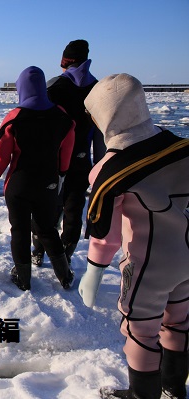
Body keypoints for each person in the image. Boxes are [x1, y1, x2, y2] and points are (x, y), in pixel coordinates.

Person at [78, 73, 189, 399]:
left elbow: (107, 236)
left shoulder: (110, 168)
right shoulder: (179, 147)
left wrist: (93, 272)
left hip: (147, 267)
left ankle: (142, 395)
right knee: (180, 322)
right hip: (186, 255)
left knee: (141, 332)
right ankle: (174, 388)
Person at [0, 66, 76, 291]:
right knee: (47, 228)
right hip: (49, 184)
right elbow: (67, 152)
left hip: (19, 184)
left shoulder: (15, 117)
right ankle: (64, 275)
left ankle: (23, 278)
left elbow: (2, 156)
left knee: (20, 230)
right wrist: (61, 176)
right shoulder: (62, 117)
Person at [31, 39, 106, 267]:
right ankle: (65, 256)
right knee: (74, 210)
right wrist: (100, 165)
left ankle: (38, 251)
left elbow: (40, 128)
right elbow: (101, 132)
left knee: (47, 209)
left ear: (65, 62)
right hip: (83, 161)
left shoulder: (54, 87)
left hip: (53, 162)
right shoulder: (99, 89)